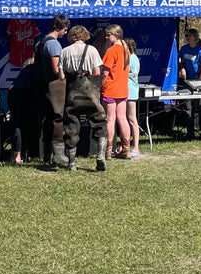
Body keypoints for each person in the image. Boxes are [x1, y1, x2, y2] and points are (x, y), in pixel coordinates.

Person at [60, 26, 107, 171]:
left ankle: (72, 163)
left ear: (72, 36)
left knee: (71, 125)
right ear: (85, 35)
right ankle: (101, 155)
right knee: (100, 122)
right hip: (90, 93)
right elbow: (97, 72)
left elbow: (61, 76)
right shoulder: (92, 50)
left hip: (72, 94)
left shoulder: (64, 51)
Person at [35, 15, 69, 168]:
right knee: (58, 119)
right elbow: (56, 69)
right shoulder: (54, 44)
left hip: (44, 85)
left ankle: (47, 154)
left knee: (48, 119)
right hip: (55, 86)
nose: (65, 33)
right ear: (59, 27)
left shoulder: (42, 41)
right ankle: (59, 155)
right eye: (65, 29)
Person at [100, 24, 132, 159]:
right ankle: (126, 149)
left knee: (110, 119)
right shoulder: (126, 50)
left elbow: (104, 73)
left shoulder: (111, 51)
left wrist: (99, 86)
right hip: (122, 89)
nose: (106, 37)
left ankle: (107, 150)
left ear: (116, 35)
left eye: (109, 35)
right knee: (123, 119)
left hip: (110, 89)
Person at [178, 27, 201, 139]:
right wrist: (182, 69)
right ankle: (190, 133)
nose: (188, 38)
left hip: (200, 80)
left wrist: (199, 84)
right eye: (187, 36)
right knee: (188, 107)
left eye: (190, 36)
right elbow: (181, 61)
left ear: (195, 38)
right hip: (188, 81)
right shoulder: (184, 49)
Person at [124, 37, 141, 158]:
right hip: (125, 90)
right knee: (124, 119)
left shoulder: (132, 58)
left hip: (131, 91)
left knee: (132, 119)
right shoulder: (130, 57)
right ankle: (125, 145)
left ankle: (136, 147)